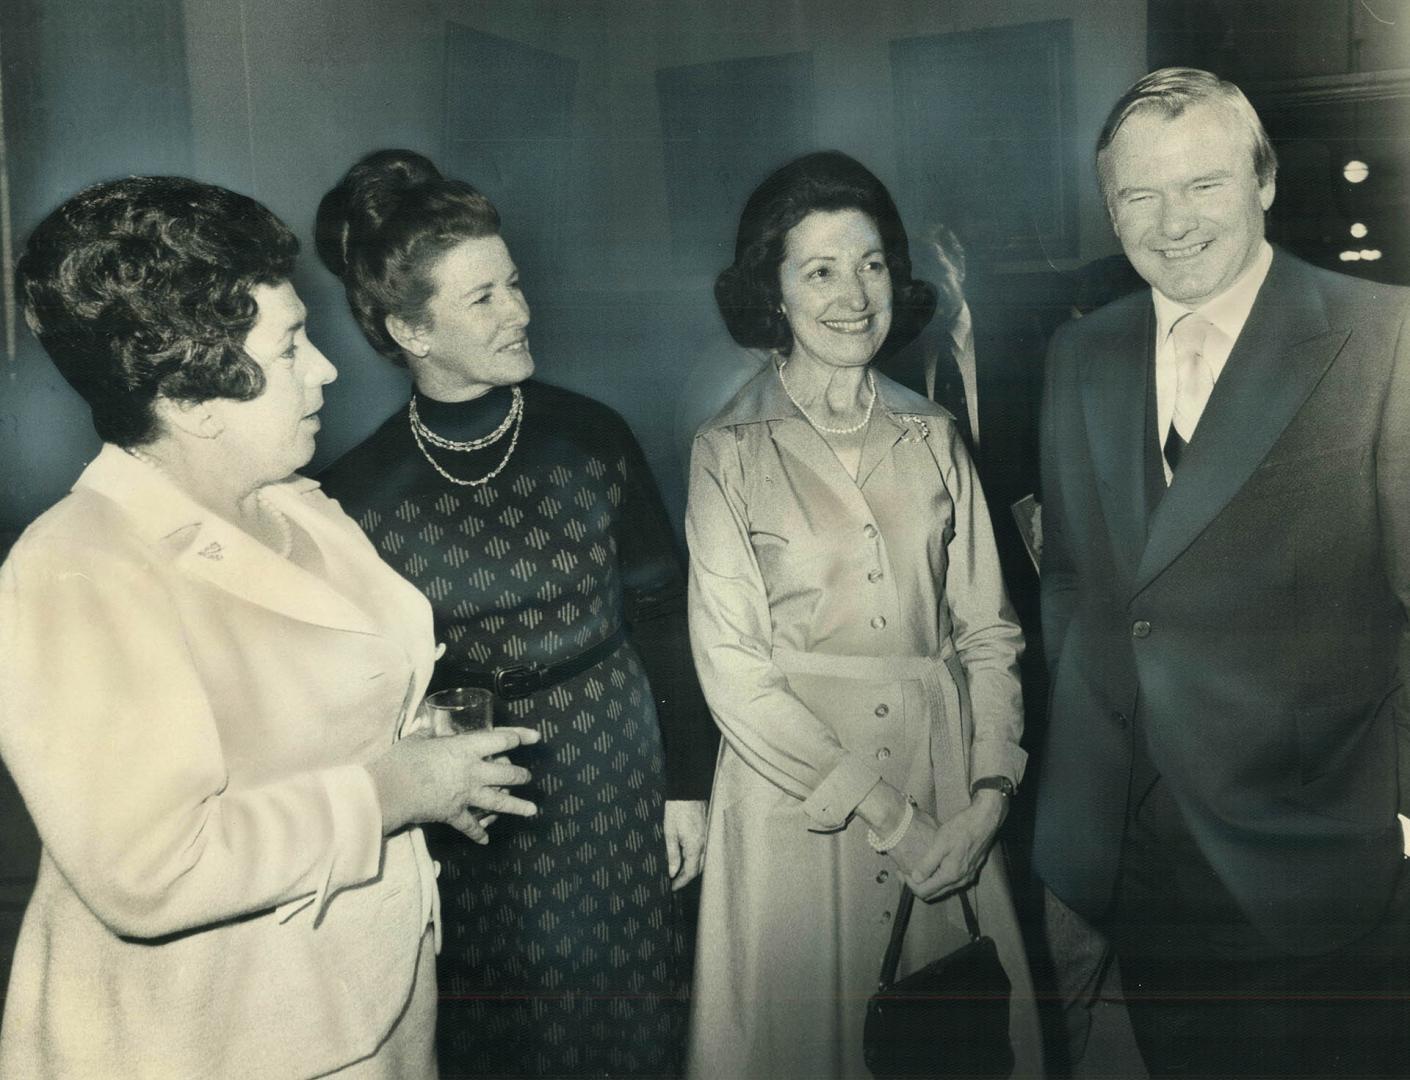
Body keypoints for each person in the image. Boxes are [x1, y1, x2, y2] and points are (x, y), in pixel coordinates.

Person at [0, 176, 539, 1079]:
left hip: (363, 998)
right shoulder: (77, 570)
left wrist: (433, 763)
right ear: (192, 399)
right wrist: (394, 791)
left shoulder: (296, 505)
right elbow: (150, 869)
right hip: (215, 1039)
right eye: (291, 348)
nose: (326, 368)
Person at [1034, 66, 1410, 1078]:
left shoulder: (1385, 336)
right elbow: (1072, 579)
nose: (1173, 221)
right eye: (1139, 194)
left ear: (1266, 182)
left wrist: (1401, 807)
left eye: (1204, 184)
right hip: (1139, 856)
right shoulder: (1082, 354)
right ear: (1111, 212)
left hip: (1316, 856)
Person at [315, 149, 716, 1079]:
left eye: (515, 283)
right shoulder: (359, 496)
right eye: (484, 298)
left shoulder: (591, 437)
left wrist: (687, 785)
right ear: (411, 329)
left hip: (615, 770)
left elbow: (663, 613)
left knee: (631, 1023)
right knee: (502, 1035)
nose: (521, 311)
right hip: (473, 805)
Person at [685, 150, 1043, 1078]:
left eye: (873, 263)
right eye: (821, 270)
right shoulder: (726, 451)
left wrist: (989, 795)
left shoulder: (933, 433)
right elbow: (733, 676)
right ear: (773, 293)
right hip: (801, 809)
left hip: (945, 787)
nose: (855, 294)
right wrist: (889, 815)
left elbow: (991, 632)